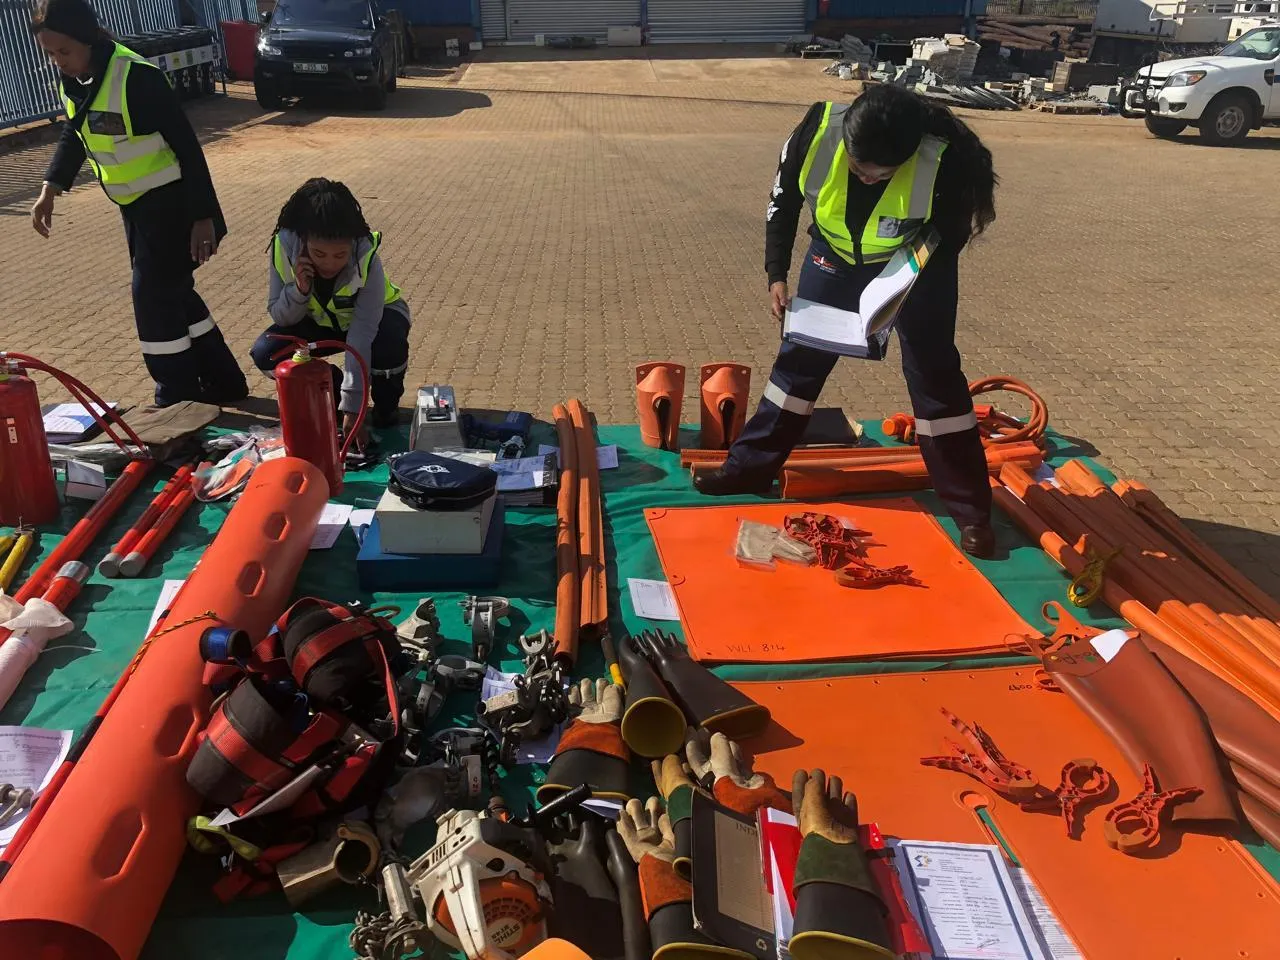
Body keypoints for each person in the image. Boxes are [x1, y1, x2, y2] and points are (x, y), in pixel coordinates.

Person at [695, 84, 1001, 558]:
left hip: (915, 262)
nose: (869, 179)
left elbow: (950, 236)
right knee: (797, 365)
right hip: (832, 257)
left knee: (934, 375)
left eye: (883, 174)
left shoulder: (944, 158)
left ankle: (971, 511)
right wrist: (776, 273)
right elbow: (782, 202)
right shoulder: (816, 133)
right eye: (860, 168)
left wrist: (896, 292)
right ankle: (748, 469)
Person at [29, 0, 247, 407]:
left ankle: (176, 397)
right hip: (135, 207)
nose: (58, 61)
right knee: (174, 292)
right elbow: (76, 133)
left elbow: (188, 148)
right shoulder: (76, 81)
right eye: (50, 54)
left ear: (88, 38)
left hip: (173, 205)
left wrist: (203, 217)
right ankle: (225, 381)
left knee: (151, 298)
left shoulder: (136, 78)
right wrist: (50, 188)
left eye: (64, 51)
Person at [251, 178, 411, 445]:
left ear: (352, 244)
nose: (329, 264)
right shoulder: (284, 246)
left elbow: (361, 335)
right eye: (319, 253)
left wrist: (354, 408)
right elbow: (281, 317)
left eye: (340, 255)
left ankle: (386, 406)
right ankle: (330, 389)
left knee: (389, 345)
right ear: (304, 241)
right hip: (321, 322)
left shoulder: (366, 256)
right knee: (267, 353)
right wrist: (299, 290)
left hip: (376, 320)